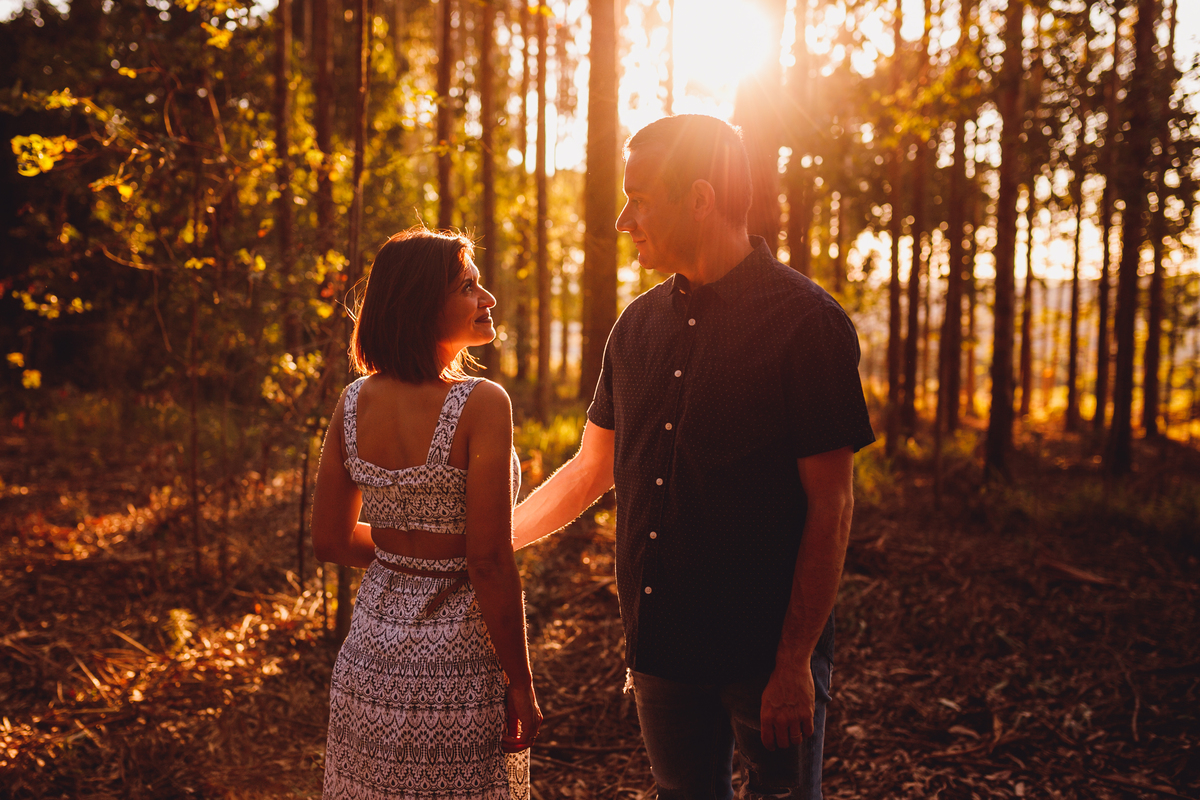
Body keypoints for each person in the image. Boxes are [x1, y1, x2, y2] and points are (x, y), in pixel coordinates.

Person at [512, 115, 875, 800]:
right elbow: (590, 470)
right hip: (663, 650)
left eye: (640, 199)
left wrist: (795, 662)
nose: (623, 220)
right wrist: (494, 539)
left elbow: (832, 505)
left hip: (766, 655)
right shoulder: (636, 327)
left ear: (700, 199)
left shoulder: (807, 324)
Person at [312, 227, 540, 800]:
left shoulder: (353, 402)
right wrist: (521, 684)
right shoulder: (482, 403)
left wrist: (405, 555)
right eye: (468, 287)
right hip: (456, 669)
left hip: (370, 662)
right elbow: (488, 562)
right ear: (420, 304)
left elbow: (330, 540)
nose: (488, 298)